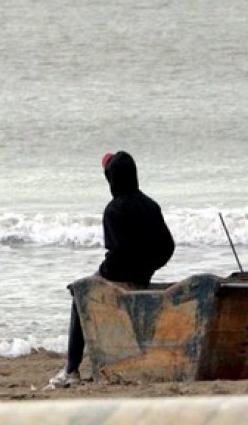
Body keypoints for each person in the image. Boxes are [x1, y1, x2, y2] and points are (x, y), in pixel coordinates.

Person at [49, 150, 175, 386]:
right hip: (142, 278)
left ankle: (71, 370)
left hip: (119, 279)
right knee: (85, 287)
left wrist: (99, 277)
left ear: (113, 179)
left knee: (79, 295)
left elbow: (116, 256)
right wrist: (147, 269)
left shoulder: (114, 210)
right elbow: (167, 246)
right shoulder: (151, 205)